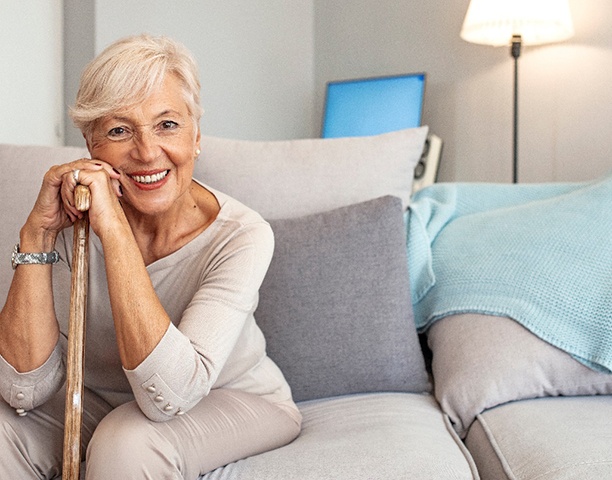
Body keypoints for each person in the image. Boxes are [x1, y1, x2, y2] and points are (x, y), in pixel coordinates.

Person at [0, 34, 301, 479]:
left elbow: (172, 396)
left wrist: (114, 230)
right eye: (119, 130)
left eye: (167, 125)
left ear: (196, 135)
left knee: (126, 442)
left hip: (230, 397)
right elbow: (22, 389)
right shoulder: (68, 219)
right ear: (91, 145)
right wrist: (37, 233)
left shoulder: (242, 235)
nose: (145, 152)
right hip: (98, 400)